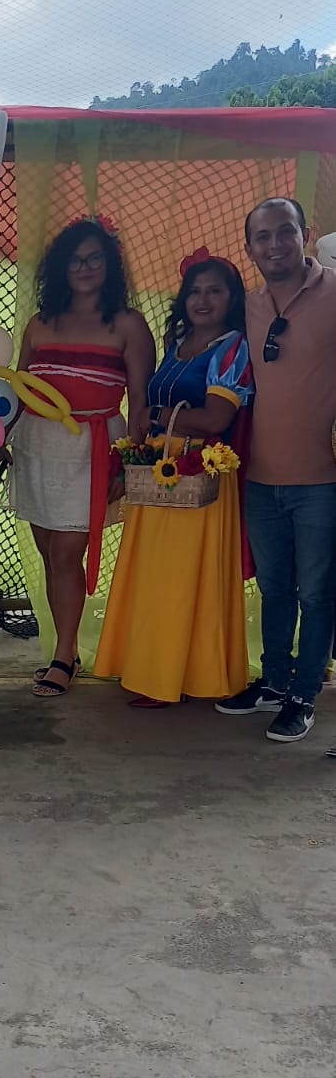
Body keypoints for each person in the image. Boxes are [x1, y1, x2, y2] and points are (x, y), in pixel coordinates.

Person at [94, 250, 253, 705]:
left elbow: (216, 418)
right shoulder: (177, 342)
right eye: (194, 291)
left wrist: (157, 415)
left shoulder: (232, 348)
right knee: (155, 577)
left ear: (232, 299)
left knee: (182, 580)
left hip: (199, 474)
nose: (202, 300)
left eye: (215, 291)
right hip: (160, 469)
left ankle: (177, 678)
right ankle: (152, 669)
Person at [8, 216, 155, 696]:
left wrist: (129, 463)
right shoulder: (39, 324)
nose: (85, 267)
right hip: (35, 447)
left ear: (109, 265)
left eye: (94, 258)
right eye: (75, 260)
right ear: (60, 268)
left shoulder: (128, 324)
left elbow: (141, 401)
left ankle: (65, 654)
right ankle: (64, 650)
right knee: (50, 553)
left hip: (93, 449)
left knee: (68, 552)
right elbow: (17, 390)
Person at [216, 198, 336, 743]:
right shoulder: (248, 305)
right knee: (274, 588)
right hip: (261, 479)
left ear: (305, 234)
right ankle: (273, 682)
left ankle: (304, 694)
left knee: (317, 593)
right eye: (262, 237)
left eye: (285, 232)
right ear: (249, 249)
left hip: (323, 481)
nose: (275, 245)